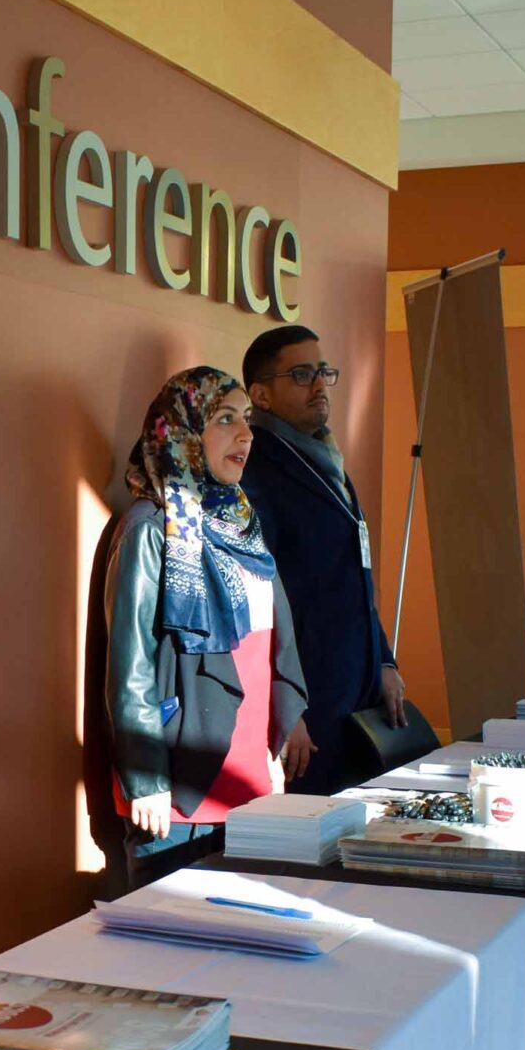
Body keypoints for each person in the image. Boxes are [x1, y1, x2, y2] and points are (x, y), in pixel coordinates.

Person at [102, 367, 312, 891]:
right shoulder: (151, 529)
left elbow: (270, 651)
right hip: (178, 798)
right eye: (224, 419)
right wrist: (145, 781)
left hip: (249, 785)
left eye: (247, 420)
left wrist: (275, 744)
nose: (245, 434)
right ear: (183, 431)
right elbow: (131, 667)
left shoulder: (243, 526)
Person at [241, 324, 405, 793]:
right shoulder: (256, 471)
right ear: (262, 394)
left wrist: (386, 663)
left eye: (322, 372)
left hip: (360, 696)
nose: (318, 385)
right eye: (300, 374)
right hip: (310, 709)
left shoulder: (328, 461)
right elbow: (260, 604)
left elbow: (356, 576)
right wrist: (284, 708)